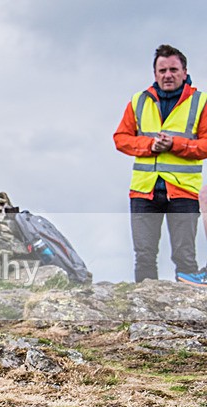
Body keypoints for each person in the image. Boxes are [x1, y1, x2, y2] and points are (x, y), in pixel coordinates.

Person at [114, 44, 207, 286]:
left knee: (185, 258)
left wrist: (175, 144)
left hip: (183, 191)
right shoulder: (139, 101)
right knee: (144, 256)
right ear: (155, 73)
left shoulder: (200, 102)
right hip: (144, 191)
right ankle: (145, 306)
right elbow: (121, 139)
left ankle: (189, 308)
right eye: (162, 70)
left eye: (173, 70)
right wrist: (150, 146)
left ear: (184, 72)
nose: (168, 75)